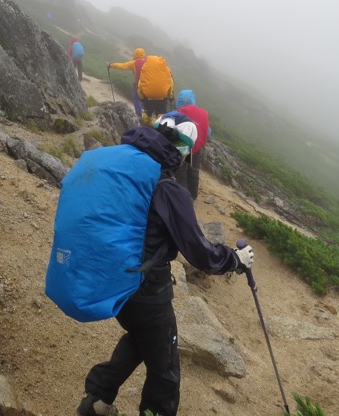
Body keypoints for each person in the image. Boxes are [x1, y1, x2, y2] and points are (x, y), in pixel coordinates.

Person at [75, 114, 255, 416]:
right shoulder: (168, 189)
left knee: (141, 337)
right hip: (146, 289)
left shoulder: (128, 167)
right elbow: (199, 251)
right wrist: (234, 259)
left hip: (112, 277)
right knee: (166, 369)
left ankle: (97, 400)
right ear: (184, 150)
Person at [174, 90, 211, 200]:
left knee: (181, 171)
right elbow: (208, 131)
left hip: (181, 146)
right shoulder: (202, 113)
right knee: (193, 170)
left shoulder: (178, 112)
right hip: (196, 147)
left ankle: (183, 197)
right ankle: (193, 195)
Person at [106, 48, 146, 119]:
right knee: (147, 102)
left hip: (138, 86)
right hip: (148, 86)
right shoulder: (147, 63)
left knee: (136, 99)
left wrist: (111, 65)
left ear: (135, 54)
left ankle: (139, 115)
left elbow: (123, 66)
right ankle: (149, 117)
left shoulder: (134, 62)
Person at [136, 54, 175, 124]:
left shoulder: (145, 69)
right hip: (162, 98)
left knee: (147, 115)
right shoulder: (166, 70)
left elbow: (140, 84)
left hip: (149, 98)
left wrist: (141, 97)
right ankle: (160, 128)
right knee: (161, 115)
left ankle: (146, 127)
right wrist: (171, 96)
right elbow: (171, 83)